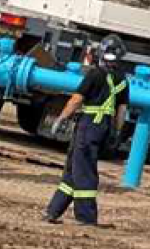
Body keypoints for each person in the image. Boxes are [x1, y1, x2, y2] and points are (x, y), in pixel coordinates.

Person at [43, 38, 129, 226]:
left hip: (88, 126)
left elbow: (76, 100)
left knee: (84, 171)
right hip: (103, 126)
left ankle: (86, 216)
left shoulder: (94, 75)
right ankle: (53, 210)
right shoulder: (123, 80)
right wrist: (116, 131)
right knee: (73, 169)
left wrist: (61, 118)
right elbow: (121, 111)